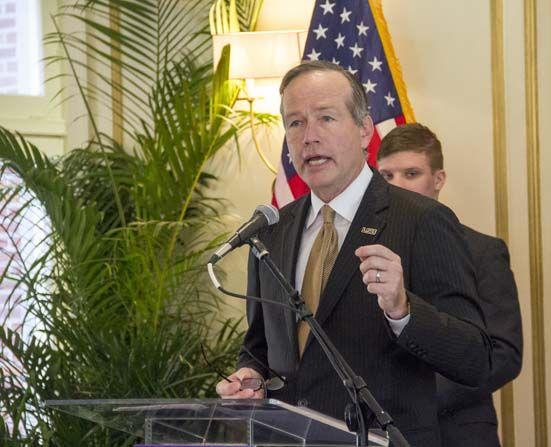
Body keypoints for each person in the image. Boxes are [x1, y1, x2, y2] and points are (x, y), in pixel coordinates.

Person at [216, 61, 492, 446]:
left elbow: (475, 359)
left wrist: (403, 310)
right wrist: (251, 376)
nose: (309, 136)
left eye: (326, 118)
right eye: (295, 123)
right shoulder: (271, 229)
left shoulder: (421, 220)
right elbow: (259, 347)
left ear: (364, 130)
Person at [377, 123, 523, 447]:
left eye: (410, 173)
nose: (396, 186)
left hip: (456, 434)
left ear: (438, 180)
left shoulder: (482, 250)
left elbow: (504, 353)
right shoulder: (364, 253)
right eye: (386, 176)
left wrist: (415, 400)